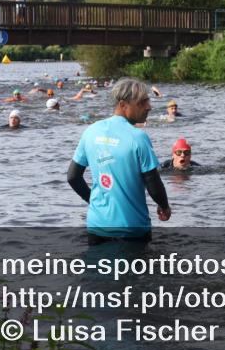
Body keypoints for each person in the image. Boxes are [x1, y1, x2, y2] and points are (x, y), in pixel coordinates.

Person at [66, 78, 171, 243]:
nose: (149, 107)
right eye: (142, 102)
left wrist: (92, 201)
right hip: (132, 228)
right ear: (123, 105)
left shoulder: (90, 132)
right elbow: (153, 184)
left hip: (97, 226)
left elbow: (73, 177)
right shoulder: (138, 137)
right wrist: (164, 206)